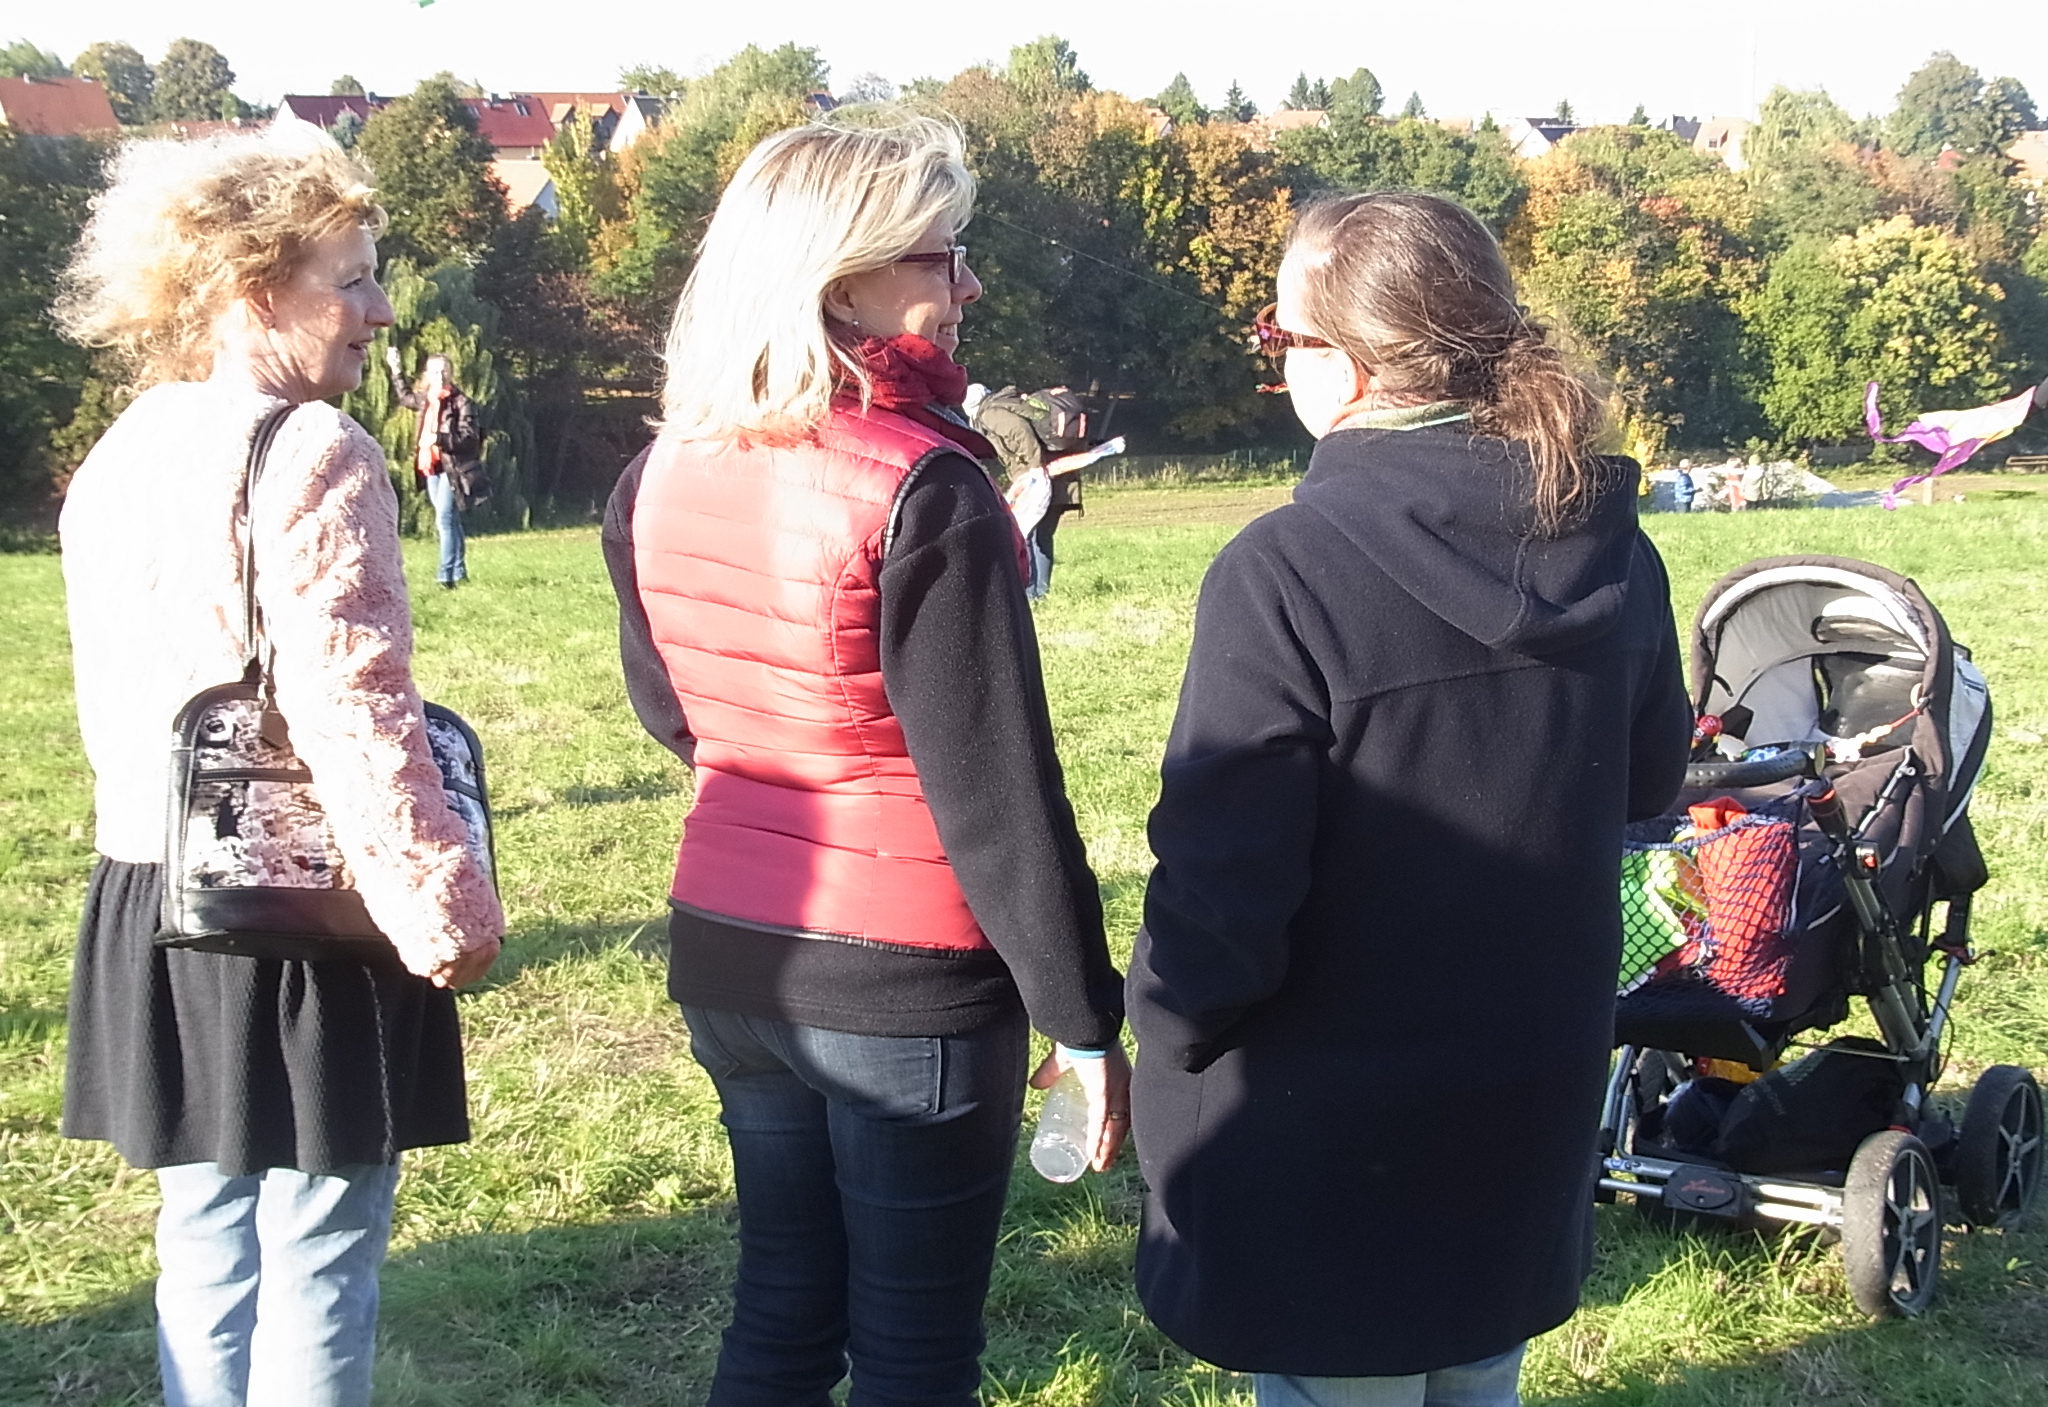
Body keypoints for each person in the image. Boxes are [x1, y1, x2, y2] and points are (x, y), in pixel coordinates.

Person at [1125, 191, 1691, 1407]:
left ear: (1346, 363)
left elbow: (1221, 892)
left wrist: (1161, 1035)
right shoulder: (1610, 546)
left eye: (1279, 339)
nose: (1276, 365)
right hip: (1524, 1092)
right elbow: (1649, 786)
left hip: (1320, 1122)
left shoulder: (1282, 569)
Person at [602, 116, 1129, 1407]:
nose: (971, 286)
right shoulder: (925, 484)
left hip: (733, 947)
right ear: (843, 283)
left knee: (780, 1317)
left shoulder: (658, 470)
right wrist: (1082, 1017)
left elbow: (673, 711)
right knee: (913, 1353)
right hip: (905, 975)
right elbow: (997, 790)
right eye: (944, 257)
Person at [54, 125, 504, 1407]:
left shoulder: (127, 445)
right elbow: (352, 706)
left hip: (151, 895)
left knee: (204, 1239)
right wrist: (441, 906)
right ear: (254, 290)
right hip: (294, 902)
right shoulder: (314, 448)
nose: (380, 310)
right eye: (350, 279)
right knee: (317, 1250)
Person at [973, 385, 1097, 598]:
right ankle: (1040, 592)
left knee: (1025, 535)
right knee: (1042, 537)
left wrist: (1035, 471)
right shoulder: (1013, 404)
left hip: (1036, 480)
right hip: (1059, 477)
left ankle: (1030, 593)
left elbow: (1021, 432)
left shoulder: (991, 412)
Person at [389, 350, 486, 588]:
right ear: (427, 375)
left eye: (443, 371)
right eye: (434, 372)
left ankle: (446, 576)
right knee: (450, 520)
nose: (439, 376)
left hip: (454, 469)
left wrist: (440, 438)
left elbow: (470, 438)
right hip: (431, 467)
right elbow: (405, 398)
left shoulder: (462, 402)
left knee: (444, 519)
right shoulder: (426, 399)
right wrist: (396, 370)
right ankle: (459, 571)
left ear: (451, 373)